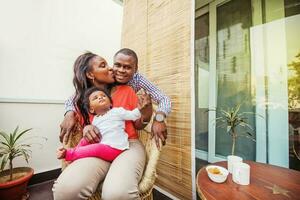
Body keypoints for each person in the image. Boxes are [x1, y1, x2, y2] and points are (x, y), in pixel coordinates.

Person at [52, 52, 152, 200]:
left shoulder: (126, 90)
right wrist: (80, 122)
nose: (112, 68)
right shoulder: (83, 100)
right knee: (65, 190)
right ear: (91, 74)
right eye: (103, 65)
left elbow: (138, 124)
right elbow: (80, 121)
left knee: (117, 193)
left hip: (128, 145)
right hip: (100, 145)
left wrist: (146, 113)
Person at [61, 48, 171, 148]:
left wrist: (159, 118)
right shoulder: (100, 83)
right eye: (117, 65)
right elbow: (75, 98)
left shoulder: (136, 80)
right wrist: (69, 113)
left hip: (124, 135)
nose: (121, 70)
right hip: (103, 136)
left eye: (127, 67)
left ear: (135, 69)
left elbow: (163, 98)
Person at [57, 86, 148, 162]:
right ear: (91, 109)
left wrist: (140, 109)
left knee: (96, 148)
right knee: (86, 139)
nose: (100, 97)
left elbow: (132, 115)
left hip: (115, 148)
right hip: (104, 146)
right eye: (95, 98)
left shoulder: (117, 111)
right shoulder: (95, 120)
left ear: (110, 103)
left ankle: (70, 154)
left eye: (103, 96)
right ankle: (75, 151)